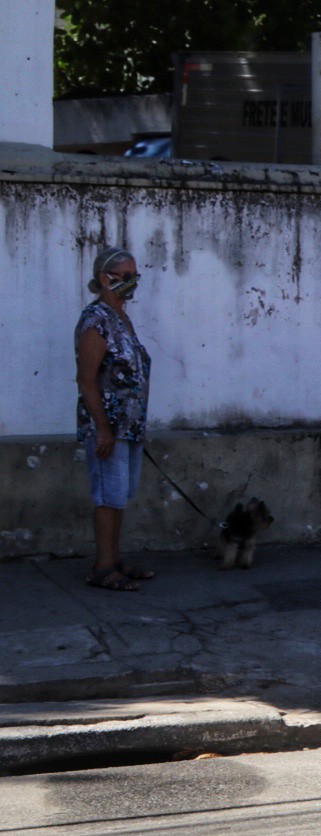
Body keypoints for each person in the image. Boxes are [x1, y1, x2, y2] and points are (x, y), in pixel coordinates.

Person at [75, 247, 155, 591]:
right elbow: (86, 378)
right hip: (107, 427)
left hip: (129, 426)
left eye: (135, 276)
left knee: (119, 494)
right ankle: (103, 568)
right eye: (126, 276)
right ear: (106, 279)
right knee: (108, 496)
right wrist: (103, 429)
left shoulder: (120, 316)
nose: (133, 283)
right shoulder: (96, 320)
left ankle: (113, 560)